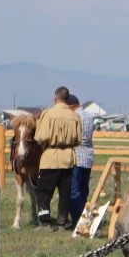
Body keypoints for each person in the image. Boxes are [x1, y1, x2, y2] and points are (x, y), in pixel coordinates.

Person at [33, 84, 81, 229]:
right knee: (65, 193)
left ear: (55, 98)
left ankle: (45, 222)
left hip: (50, 157)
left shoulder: (48, 114)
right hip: (68, 158)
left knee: (44, 192)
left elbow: (41, 137)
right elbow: (78, 139)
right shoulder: (75, 116)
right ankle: (62, 222)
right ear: (67, 99)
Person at [68, 92, 95, 225]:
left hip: (77, 156)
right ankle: (85, 216)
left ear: (71, 106)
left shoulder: (75, 116)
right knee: (84, 190)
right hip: (88, 156)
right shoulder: (89, 116)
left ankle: (76, 220)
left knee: (75, 191)